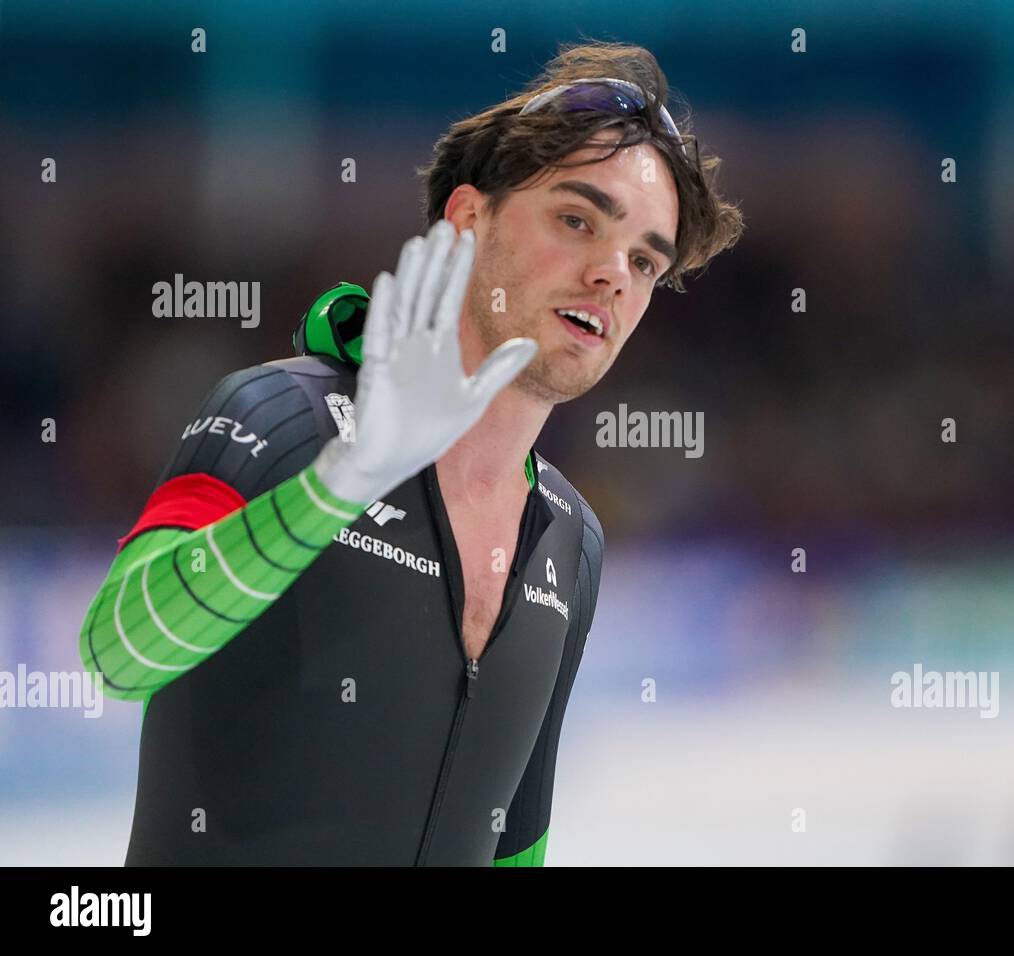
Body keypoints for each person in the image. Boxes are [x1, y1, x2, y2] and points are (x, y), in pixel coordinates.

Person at [77, 41, 743, 865]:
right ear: (468, 218)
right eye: (578, 220)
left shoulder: (570, 538)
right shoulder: (285, 419)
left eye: (645, 259)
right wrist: (336, 488)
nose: (612, 274)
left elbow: (515, 844)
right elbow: (116, 655)